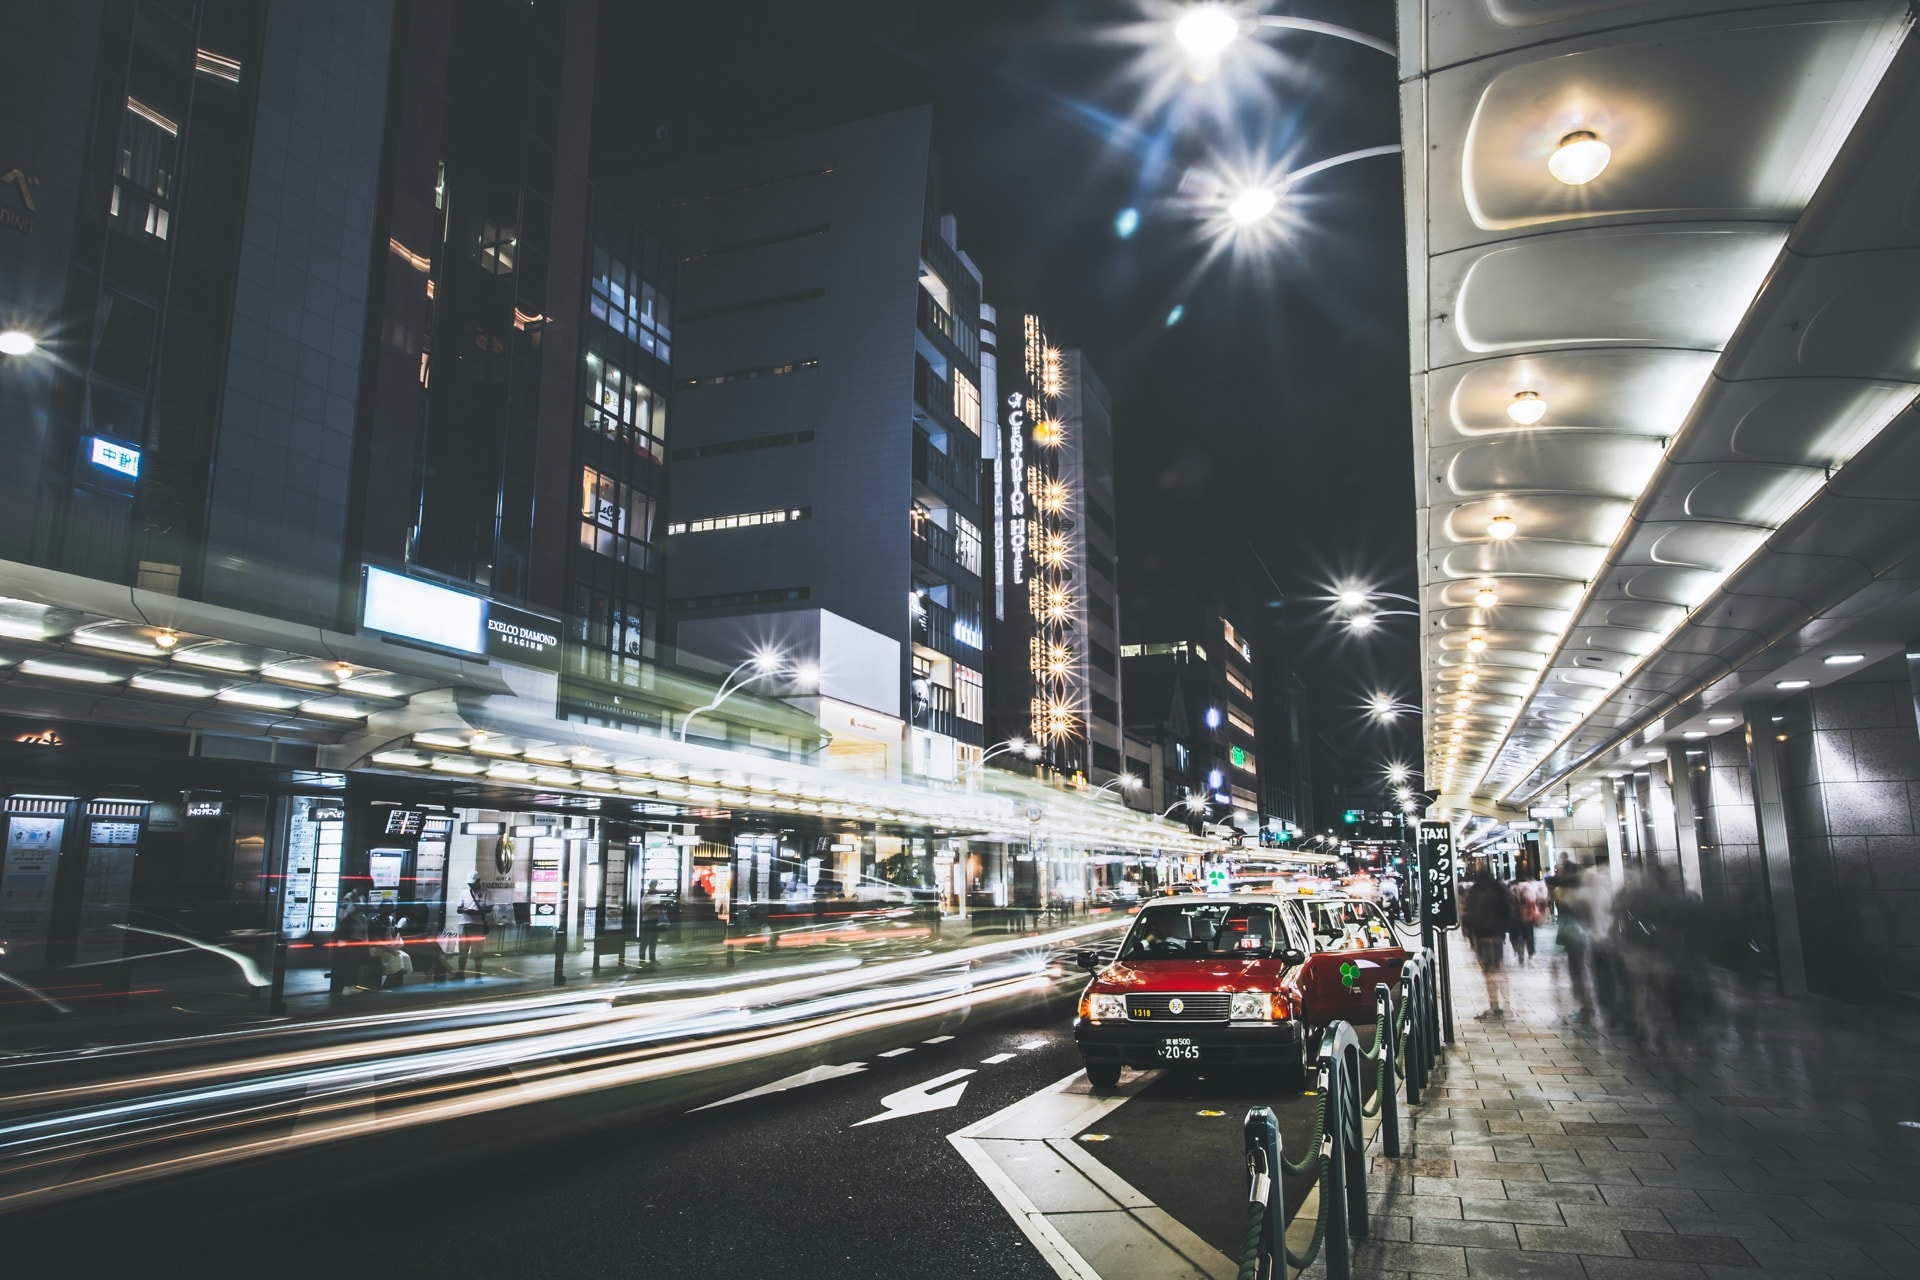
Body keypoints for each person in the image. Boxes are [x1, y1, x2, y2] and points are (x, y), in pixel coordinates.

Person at [1460, 867, 1517, 1019]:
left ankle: (1494, 1006)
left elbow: (1468, 915)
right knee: (1500, 968)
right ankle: (1507, 1005)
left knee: (1488, 971)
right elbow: (1510, 909)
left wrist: (1469, 936)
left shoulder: (1475, 891)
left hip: (1482, 936)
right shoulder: (1500, 889)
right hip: (1498, 935)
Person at [1549, 857, 1597, 1023]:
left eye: (1560, 871)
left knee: (1577, 972)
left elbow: (1571, 908)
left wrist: (1555, 895)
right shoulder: (1581, 892)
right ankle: (1586, 1006)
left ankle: (1587, 1007)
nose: (1558, 874)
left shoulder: (1570, 893)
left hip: (1574, 935)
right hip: (1579, 934)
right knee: (1578, 972)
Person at [455, 873, 490, 978]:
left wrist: (476, 912)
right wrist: (466, 910)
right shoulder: (464, 893)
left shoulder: (486, 892)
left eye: (473, 884)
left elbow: (489, 908)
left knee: (477, 951)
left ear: (478, 881)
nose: (471, 886)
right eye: (469, 884)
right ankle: (461, 972)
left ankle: (478, 973)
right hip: (464, 923)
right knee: (463, 951)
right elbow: (458, 909)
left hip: (478, 925)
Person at [1510, 877, 1547, 964]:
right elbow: (1536, 902)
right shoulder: (1530, 890)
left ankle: (1521, 954)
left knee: (1520, 936)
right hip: (1528, 917)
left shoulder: (1513, 890)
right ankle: (1530, 954)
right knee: (1529, 936)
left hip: (1517, 917)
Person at [638, 880, 669, 965]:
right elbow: (644, 911)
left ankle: (652, 959)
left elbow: (659, 907)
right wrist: (654, 906)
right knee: (645, 941)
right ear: (650, 885)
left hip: (656, 920)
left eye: (655, 885)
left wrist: (660, 907)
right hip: (648, 921)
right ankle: (642, 960)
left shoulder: (656, 896)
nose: (654, 887)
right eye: (653, 885)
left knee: (653, 941)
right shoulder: (645, 896)